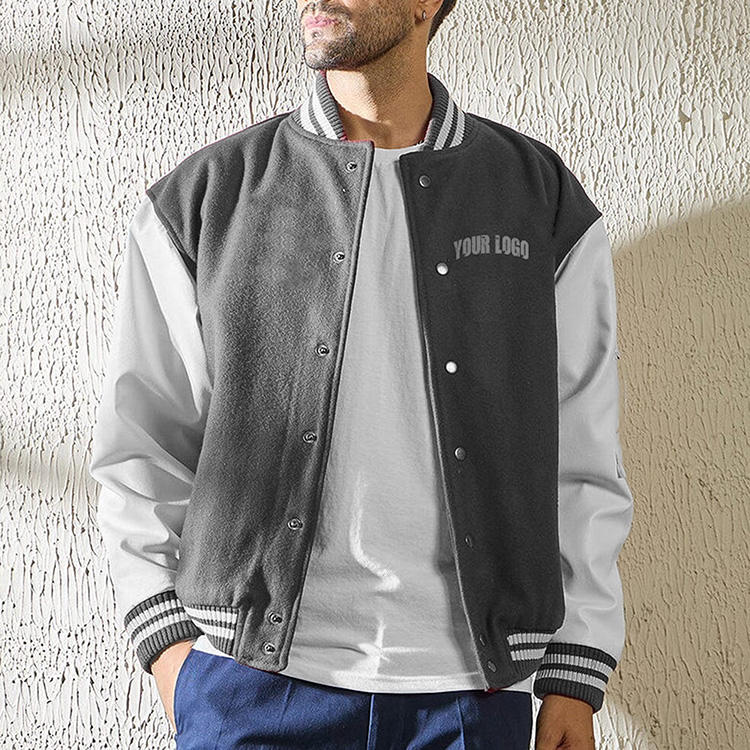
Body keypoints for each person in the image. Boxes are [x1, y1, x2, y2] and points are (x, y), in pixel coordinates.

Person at [88, 1, 635, 748]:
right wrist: (168, 653)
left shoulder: (538, 199)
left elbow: (584, 451)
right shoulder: (206, 197)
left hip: (471, 695)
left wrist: (576, 670)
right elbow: (143, 444)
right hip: (248, 685)